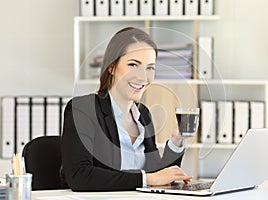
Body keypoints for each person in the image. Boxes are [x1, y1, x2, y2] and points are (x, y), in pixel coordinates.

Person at [61, 27, 192, 192]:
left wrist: (176, 141)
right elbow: (80, 176)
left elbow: (158, 175)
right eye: (133, 65)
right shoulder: (83, 109)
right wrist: (147, 179)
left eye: (150, 67)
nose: (142, 77)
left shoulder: (143, 115)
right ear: (112, 66)